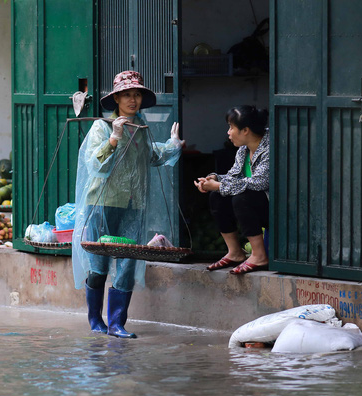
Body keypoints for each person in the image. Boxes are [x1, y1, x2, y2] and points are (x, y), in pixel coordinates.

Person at [72, 71, 184, 338]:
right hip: (103, 203)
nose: (133, 100)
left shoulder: (142, 128)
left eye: (136, 94)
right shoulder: (101, 126)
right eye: (127, 95)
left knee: (127, 262)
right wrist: (113, 139)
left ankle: (117, 323)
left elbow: (152, 157)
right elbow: (95, 165)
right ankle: (95, 321)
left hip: (134, 205)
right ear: (116, 99)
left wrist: (173, 145)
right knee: (98, 263)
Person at [194, 105, 269, 275]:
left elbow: (259, 183)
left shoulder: (269, 148)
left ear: (245, 130)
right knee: (217, 197)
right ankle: (235, 252)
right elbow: (234, 176)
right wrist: (214, 178)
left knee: (241, 198)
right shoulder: (243, 150)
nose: (228, 132)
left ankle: (259, 255)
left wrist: (220, 185)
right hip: (258, 204)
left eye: (231, 127)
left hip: (274, 209)